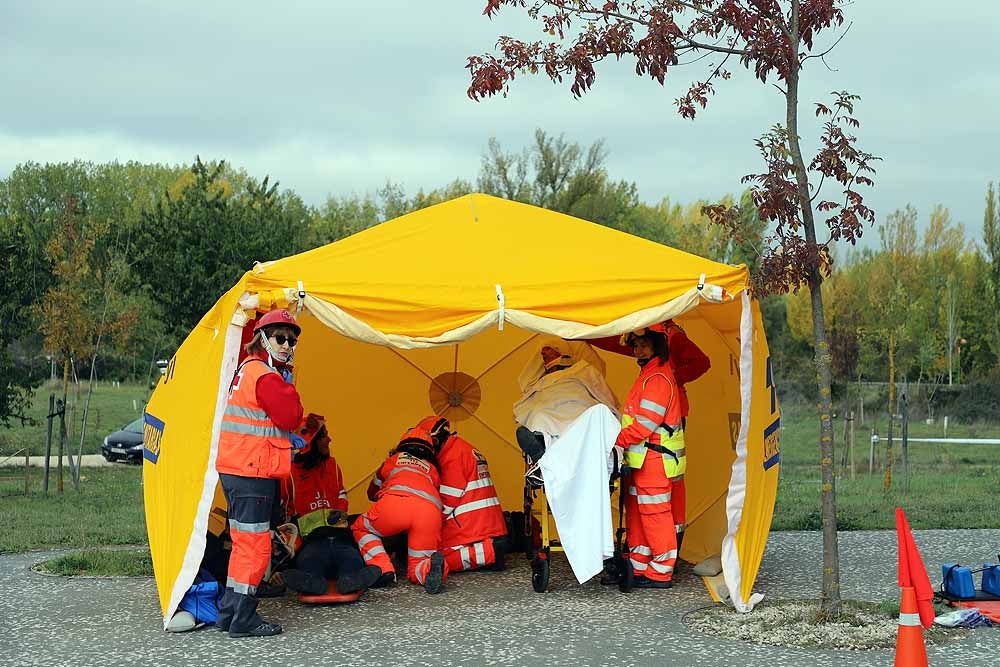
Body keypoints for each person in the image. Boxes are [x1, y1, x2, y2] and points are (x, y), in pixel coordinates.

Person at [215, 309, 305, 637]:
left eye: (292, 341)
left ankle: (229, 613)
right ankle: (244, 619)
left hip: (238, 468)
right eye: (280, 338)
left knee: (242, 544)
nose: (286, 345)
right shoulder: (266, 376)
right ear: (262, 339)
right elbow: (291, 415)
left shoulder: (246, 370)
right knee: (255, 546)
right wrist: (288, 382)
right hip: (253, 470)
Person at [279, 413, 382, 597]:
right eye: (324, 435)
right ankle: (313, 581)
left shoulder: (333, 466)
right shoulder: (289, 474)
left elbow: (341, 494)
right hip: (312, 541)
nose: (329, 439)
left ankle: (349, 580)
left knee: (351, 559)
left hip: (341, 536)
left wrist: (340, 511)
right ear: (311, 443)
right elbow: (285, 512)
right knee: (310, 561)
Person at [616, 324, 685, 589]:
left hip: (655, 460)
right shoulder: (649, 374)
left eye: (644, 344)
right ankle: (641, 564)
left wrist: (615, 440)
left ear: (658, 345)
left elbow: (645, 425)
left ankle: (661, 571)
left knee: (655, 514)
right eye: (635, 345)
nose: (638, 349)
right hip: (643, 460)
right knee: (638, 513)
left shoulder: (657, 379)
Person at [350, 428, 449, 593]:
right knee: (418, 563)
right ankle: (431, 568)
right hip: (429, 513)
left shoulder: (392, 460)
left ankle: (382, 568)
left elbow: (372, 492)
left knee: (361, 527)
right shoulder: (433, 469)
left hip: (394, 505)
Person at [416, 416, 507, 572]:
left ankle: (488, 554)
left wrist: (422, 522)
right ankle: (489, 552)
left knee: (437, 559)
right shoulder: (464, 448)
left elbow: (446, 502)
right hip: (487, 526)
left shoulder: (452, 457)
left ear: (434, 440)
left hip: (472, 530)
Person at [513, 336, 620, 466]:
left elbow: (601, 391)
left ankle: (546, 454)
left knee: (593, 414)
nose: (542, 353)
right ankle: (543, 454)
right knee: (538, 415)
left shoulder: (583, 369)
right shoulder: (542, 379)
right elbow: (525, 384)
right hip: (548, 413)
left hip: (580, 408)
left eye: (548, 349)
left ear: (560, 350)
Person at [662, 319, 710, 551]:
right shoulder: (653, 334)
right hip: (664, 411)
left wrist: (674, 377)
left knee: (671, 477)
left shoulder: (673, 337)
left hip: (673, 413)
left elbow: (701, 362)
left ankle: (672, 542)